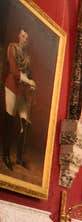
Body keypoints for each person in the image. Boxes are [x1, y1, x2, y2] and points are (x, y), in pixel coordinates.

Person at [2, 28, 35, 170]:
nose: (24, 39)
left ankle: (20, 158)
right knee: (10, 123)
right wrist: (29, 81)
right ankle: (6, 156)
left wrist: (31, 84)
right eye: (22, 36)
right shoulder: (12, 47)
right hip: (11, 87)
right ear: (18, 36)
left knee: (25, 124)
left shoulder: (27, 58)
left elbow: (29, 75)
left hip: (21, 92)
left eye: (26, 38)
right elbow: (15, 72)